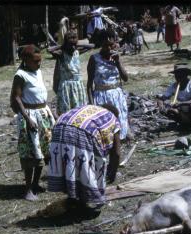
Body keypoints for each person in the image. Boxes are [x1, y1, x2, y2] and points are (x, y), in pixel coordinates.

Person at [47, 104, 121, 213]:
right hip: (83, 131)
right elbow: (116, 153)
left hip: (59, 126)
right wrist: (112, 172)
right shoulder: (112, 119)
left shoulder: (90, 109)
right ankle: (85, 200)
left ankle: (73, 197)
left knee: (70, 163)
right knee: (88, 164)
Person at [10, 45, 56, 201]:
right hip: (29, 117)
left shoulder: (38, 71)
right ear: (26, 60)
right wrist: (27, 118)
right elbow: (17, 97)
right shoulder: (20, 75)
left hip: (42, 115)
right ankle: (28, 189)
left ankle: (36, 183)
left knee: (43, 151)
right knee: (31, 153)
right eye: (36, 61)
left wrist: (49, 113)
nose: (39, 63)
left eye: (40, 60)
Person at [87, 29, 130, 141]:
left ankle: (119, 143)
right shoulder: (94, 59)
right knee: (104, 126)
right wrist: (92, 105)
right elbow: (89, 85)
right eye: (106, 45)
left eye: (111, 45)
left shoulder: (116, 58)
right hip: (101, 96)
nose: (109, 48)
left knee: (119, 126)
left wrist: (118, 62)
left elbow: (125, 78)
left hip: (117, 96)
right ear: (101, 44)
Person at [157, 64, 191, 129]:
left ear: (186, 75)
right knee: (169, 111)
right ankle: (185, 124)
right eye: (176, 75)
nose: (178, 77)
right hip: (183, 112)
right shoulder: (174, 86)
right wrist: (161, 105)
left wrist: (181, 103)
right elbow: (163, 98)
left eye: (180, 74)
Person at [53, 30, 88, 116]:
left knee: (79, 113)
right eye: (70, 45)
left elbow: (91, 46)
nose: (73, 47)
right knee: (66, 114)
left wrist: (75, 44)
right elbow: (49, 50)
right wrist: (63, 46)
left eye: (74, 44)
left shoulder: (76, 52)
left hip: (78, 87)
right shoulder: (61, 55)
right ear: (66, 44)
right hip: (66, 88)